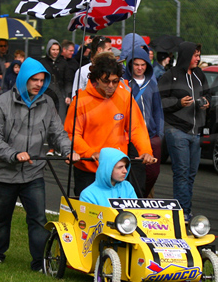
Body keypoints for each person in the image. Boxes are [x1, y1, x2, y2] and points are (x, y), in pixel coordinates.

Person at [0, 57, 79, 271]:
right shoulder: (1, 103)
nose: (38, 84)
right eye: (34, 80)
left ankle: (40, 260)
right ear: (23, 80)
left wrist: (68, 150)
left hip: (33, 173)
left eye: (41, 80)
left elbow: (58, 132)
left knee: (38, 219)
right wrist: (13, 154)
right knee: (0, 217)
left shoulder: (47, 104)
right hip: (4, 173)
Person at [65, 51, 156, 197]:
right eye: (106, 81)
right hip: (89, 169)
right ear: (96, 79)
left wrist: (145, 151)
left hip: (117, 169)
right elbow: (72, 134)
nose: (111, 85)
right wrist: (90, 153)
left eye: (115, 81)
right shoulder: (80, 101)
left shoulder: (125, 96)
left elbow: (137, 128)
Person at [158, 41, 211, 222]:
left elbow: (208, 93)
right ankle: (182, 212)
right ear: (186, 56)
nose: (198, 59)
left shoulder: (199, 75)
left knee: (190, 173)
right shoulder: (170, 76)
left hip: (195, 131)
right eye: (195, 55)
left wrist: (206, 101)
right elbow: (159, 101)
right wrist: (178, 103)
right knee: (181, 171)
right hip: (176, 130)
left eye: (198, 55)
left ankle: (184, 208)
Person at [122, 45, 165, 198]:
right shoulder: (124, 84)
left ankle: (142, 196)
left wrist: (159, 133)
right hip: (131, 136)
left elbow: (158, 110)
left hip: (151, 134)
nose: (139, 68)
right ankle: (134, 198)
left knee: (153, 172)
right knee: (132, 172)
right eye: (136, 64)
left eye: (143, 64)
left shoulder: (152, 84)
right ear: (130, 64)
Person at [41, 39, 70, 120]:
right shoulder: (43, 62)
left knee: (60, 118)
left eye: (57, 49)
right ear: (49, 50)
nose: (55, 52)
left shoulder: (63, 63)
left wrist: (68, 95)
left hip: (60, 94)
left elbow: (67, 80)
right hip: (46, 94)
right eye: (53, 49)